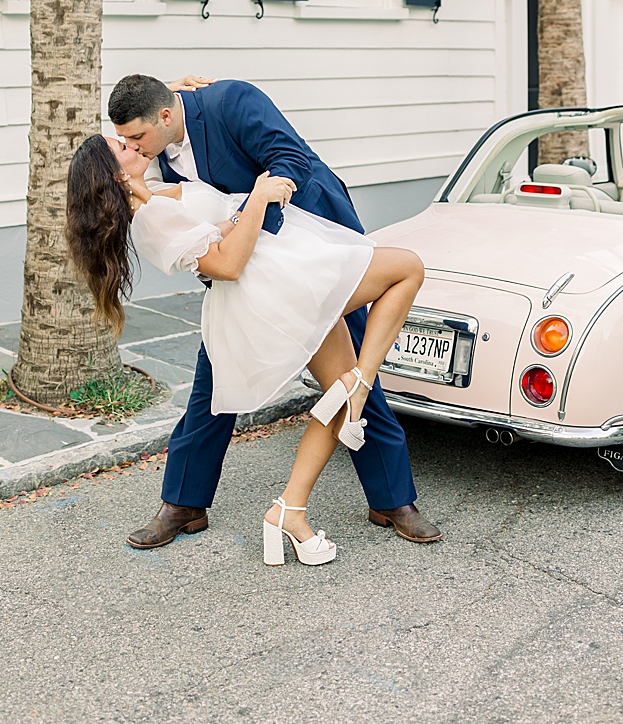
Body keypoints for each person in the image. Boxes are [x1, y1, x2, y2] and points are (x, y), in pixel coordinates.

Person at [107, 74, 443, 549]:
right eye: (127, 141)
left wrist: (249, 220)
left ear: (165, 115)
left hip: (313, 244)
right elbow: (121, 160)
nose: (134, 146)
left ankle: (392, 500)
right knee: (215, 377)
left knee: (352, 370)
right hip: (242, 268)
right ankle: (183, 503)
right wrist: (235, 240)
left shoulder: (232, 101)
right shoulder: (148, 147)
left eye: (137, 137)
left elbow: (291, 161)